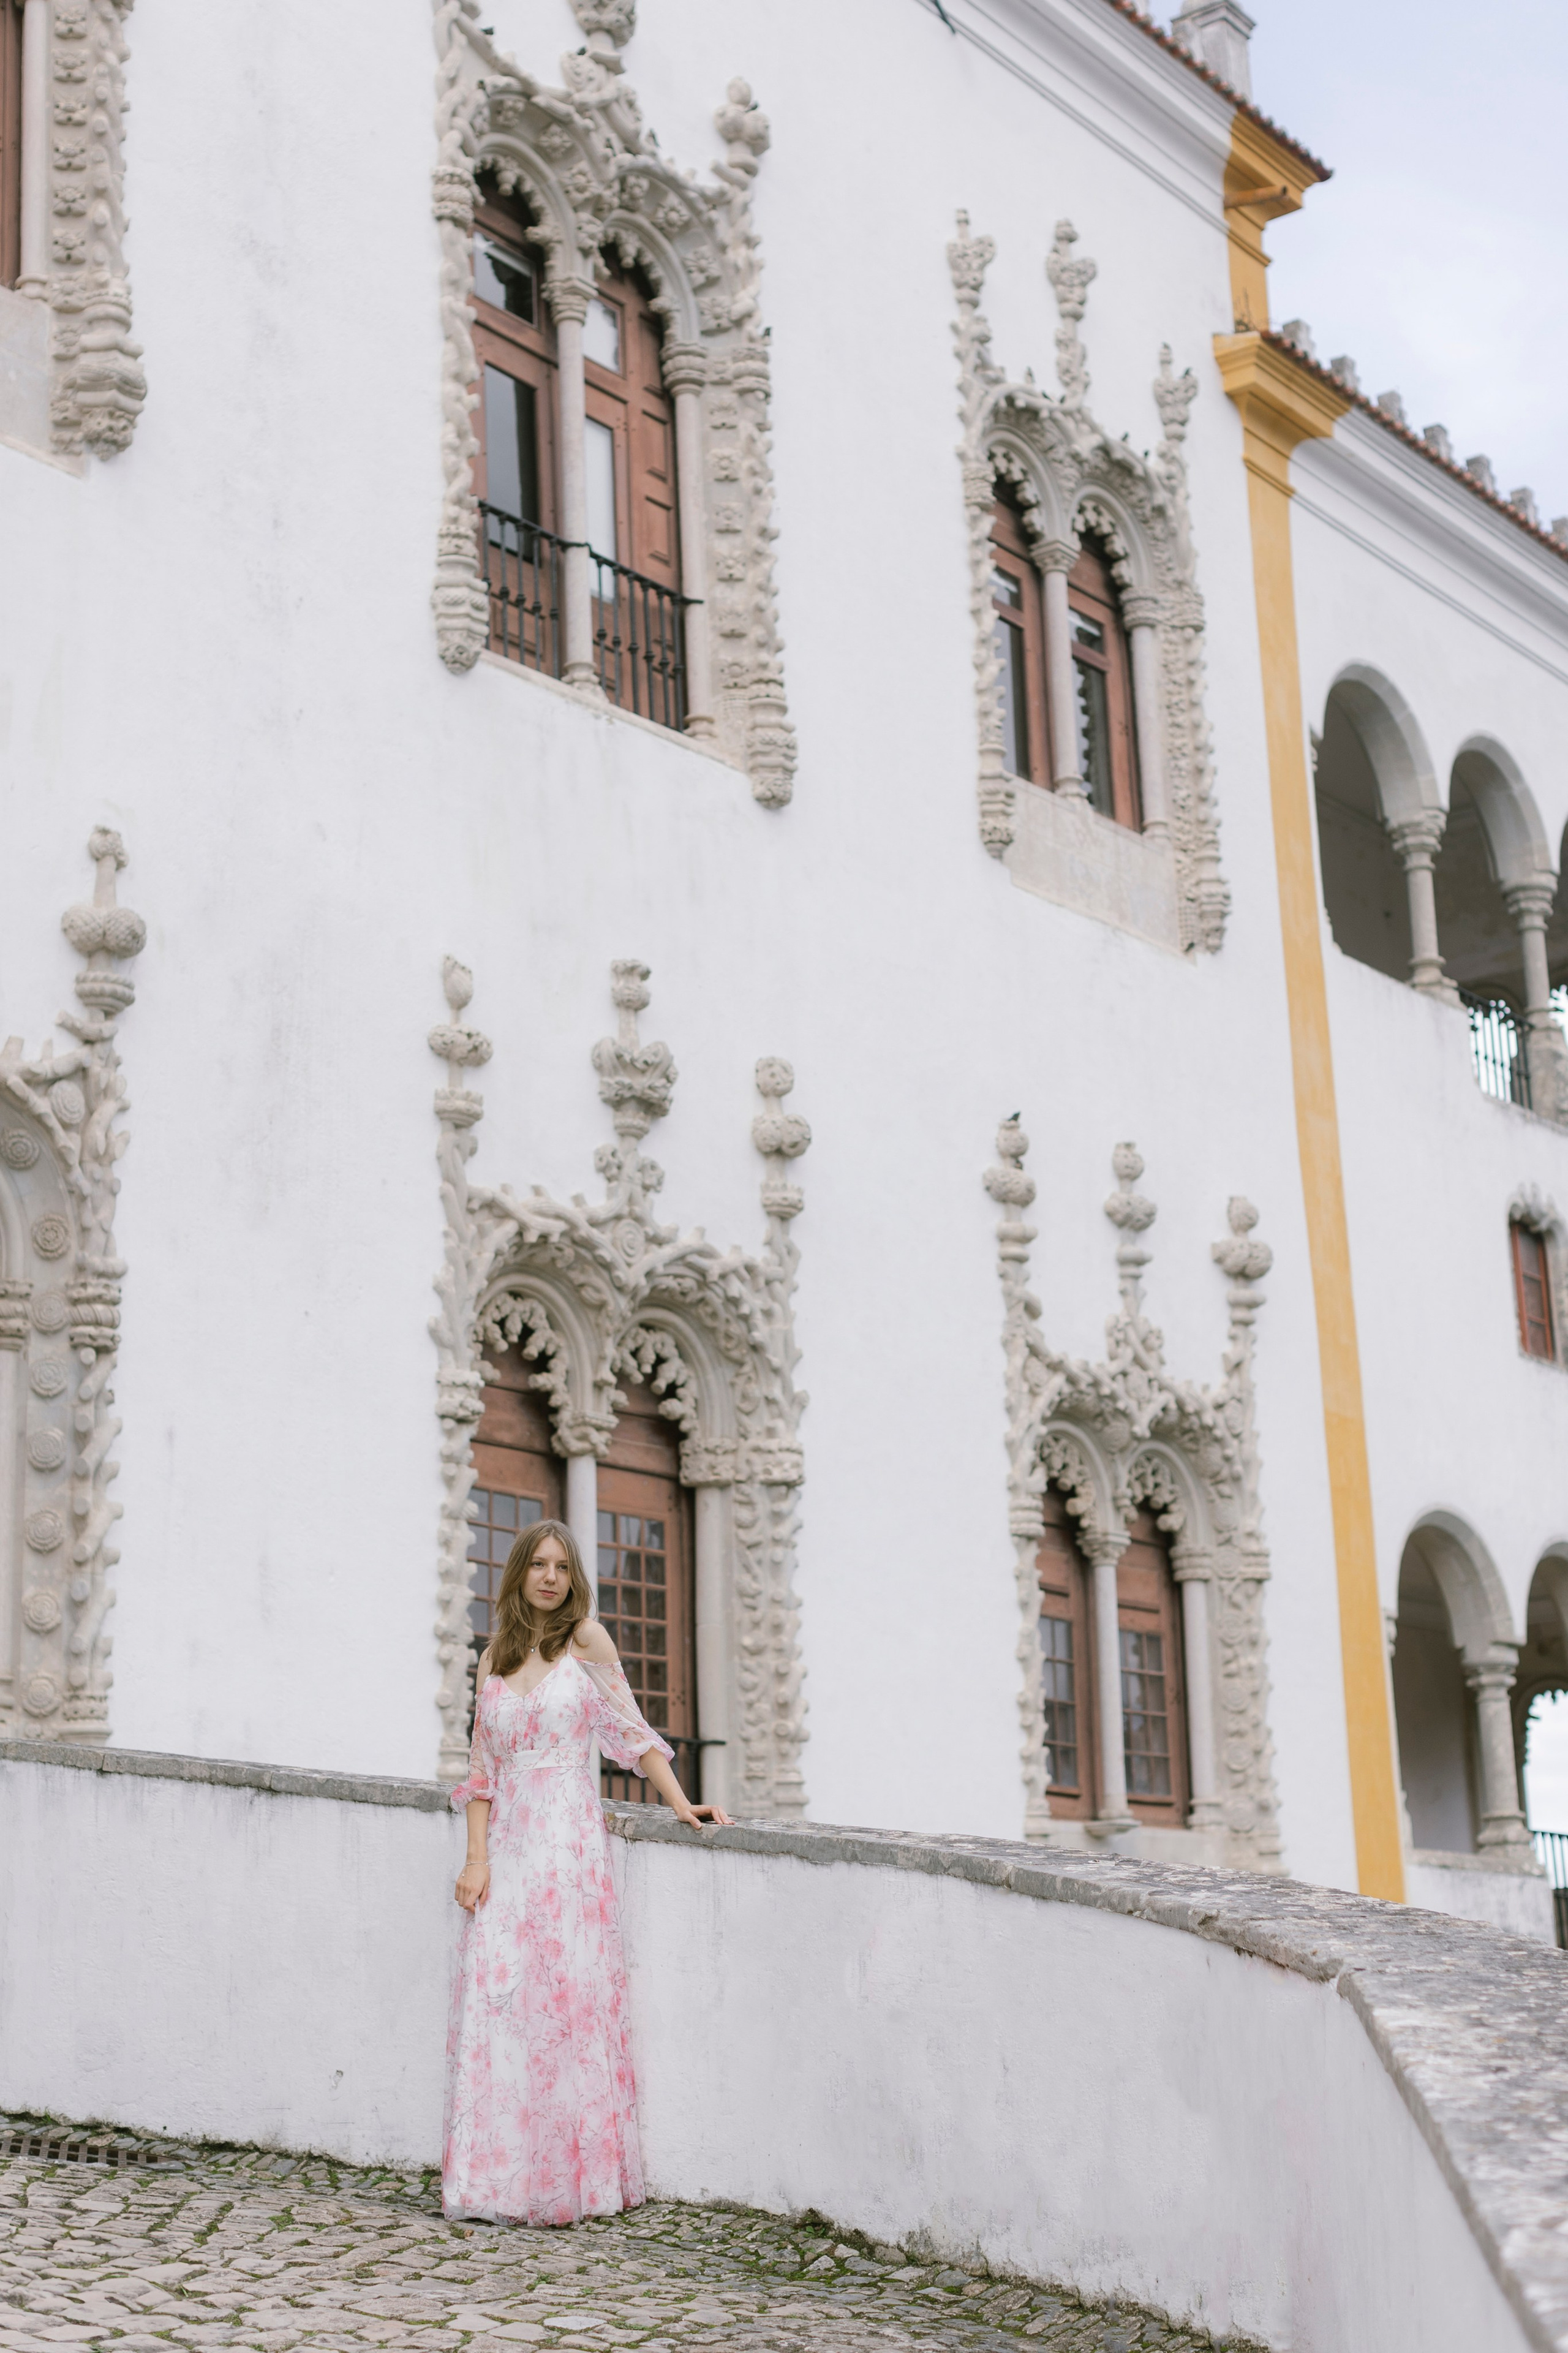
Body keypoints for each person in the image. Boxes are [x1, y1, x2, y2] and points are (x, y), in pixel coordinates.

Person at [443, 1516, 730, 2225]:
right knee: (502, 2003)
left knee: (566, 2009)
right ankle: (496, 2182)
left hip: (568, 1847)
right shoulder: (493, 1657)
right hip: (508, 1852)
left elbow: (632, 1732)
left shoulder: (587, 1641)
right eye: (539, 1564)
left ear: (574, 1577)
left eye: (562, 1566)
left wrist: (681, 1802)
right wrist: (476, 1861)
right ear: (519, 1572)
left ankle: (574, 2183)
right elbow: (481, 1771)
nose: (550, 1577)